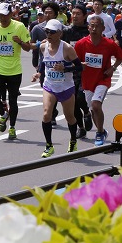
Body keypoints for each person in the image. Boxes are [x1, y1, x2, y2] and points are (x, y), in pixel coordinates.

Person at [32, 19, 82, 157]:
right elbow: (44, 63)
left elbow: (79, 67)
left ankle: (73, 141)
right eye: (46, 31)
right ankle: (49, 146)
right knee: (46, 114)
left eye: (52, 32)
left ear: (59, 33)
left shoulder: (67, 49)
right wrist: (39, 73)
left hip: (66, 87)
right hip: (50, 86)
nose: (48, 34)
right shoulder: (43, 47)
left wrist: (64, 68)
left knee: (70, 117)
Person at [75, 14, 122, 146]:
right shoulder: (81, 44)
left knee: (96, 105)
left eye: (97, 26)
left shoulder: (109, 44)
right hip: (87, 81)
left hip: (103, 79)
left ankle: (99, 132)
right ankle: (102, 131)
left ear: (103, 28)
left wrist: (113, 68)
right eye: (92, 26)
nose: (94, 28)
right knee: (93, 109)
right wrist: (80, 65)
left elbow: (121, 56)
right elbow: (75, 60)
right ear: (88, 28)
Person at [0, 2, 33, 139]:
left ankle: (12, 127)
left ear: (11, 14)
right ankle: (3, 114)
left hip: (14, 70)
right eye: (0, 15)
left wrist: (19, 42)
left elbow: (28, 47)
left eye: (5, 15)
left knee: (13, 101)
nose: (3, 18)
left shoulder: (19, 27)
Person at [63, 4, 94, 138]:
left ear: (85, 16)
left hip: (86, 70)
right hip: (71, 70)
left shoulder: (90, 31)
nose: (74, 16)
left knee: (81, 98)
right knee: (72, 102)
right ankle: (80, 127)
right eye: (73, 13)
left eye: (78, 14)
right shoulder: (67, 31)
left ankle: (87, 112)